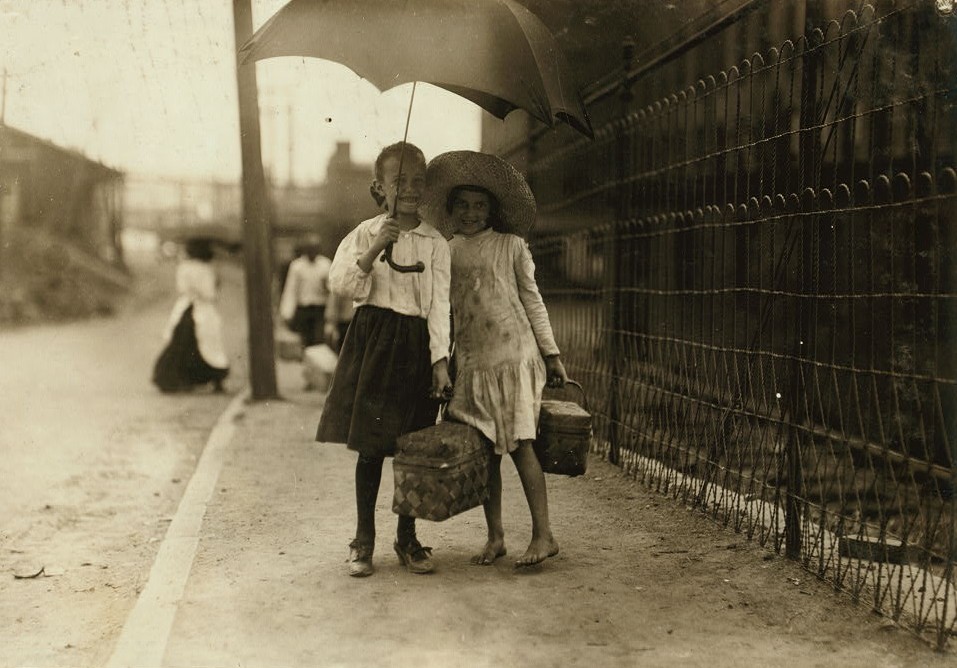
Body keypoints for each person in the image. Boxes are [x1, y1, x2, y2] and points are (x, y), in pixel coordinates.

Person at [420, 150, 568, 568]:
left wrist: (551, 352)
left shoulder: (511, 246)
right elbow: (441, 312)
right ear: (451, 210)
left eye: (480, 206)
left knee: (521, 443)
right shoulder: (444, 252)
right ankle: (496, 535)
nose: (471, 213)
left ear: (493, 210)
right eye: (463, 205)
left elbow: (533, 301)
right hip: (473, 361)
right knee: (485, 451)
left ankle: (544, 534)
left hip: (515, 357)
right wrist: (442, 361)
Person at [316, 141, 452, 577]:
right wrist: (376, 247)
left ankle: (406, 538)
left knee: (410, 449)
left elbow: (439, 306)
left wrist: (439, 360)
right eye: (399, 181)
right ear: (380, 187)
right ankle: (363, 539)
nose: (409, 189)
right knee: (371, 449)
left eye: (417, 181)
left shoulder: (435, 243)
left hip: (414, 348)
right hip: (374, 345)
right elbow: (339, 283)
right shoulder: (365, 232)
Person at [152, 237, 229, 393]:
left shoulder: (184, 267)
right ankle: (214, 378)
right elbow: (210, 293)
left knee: (183, 342)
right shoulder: (207, 269)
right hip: (203, 308)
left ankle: (180, 378)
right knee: (208, 342)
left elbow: (182, 288)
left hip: (187, 306)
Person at [279, 234, 332, 348]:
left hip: (320, 309)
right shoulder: (297, 266)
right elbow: (291, 290)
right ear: (305, 250)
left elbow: (333, 290)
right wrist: (287, 313)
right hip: (304, 310)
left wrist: (326, 285)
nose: (312, 252)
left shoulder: (325, 264)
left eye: (315, 249)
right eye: (310, 249)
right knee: (304, 342)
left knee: (319, 341)